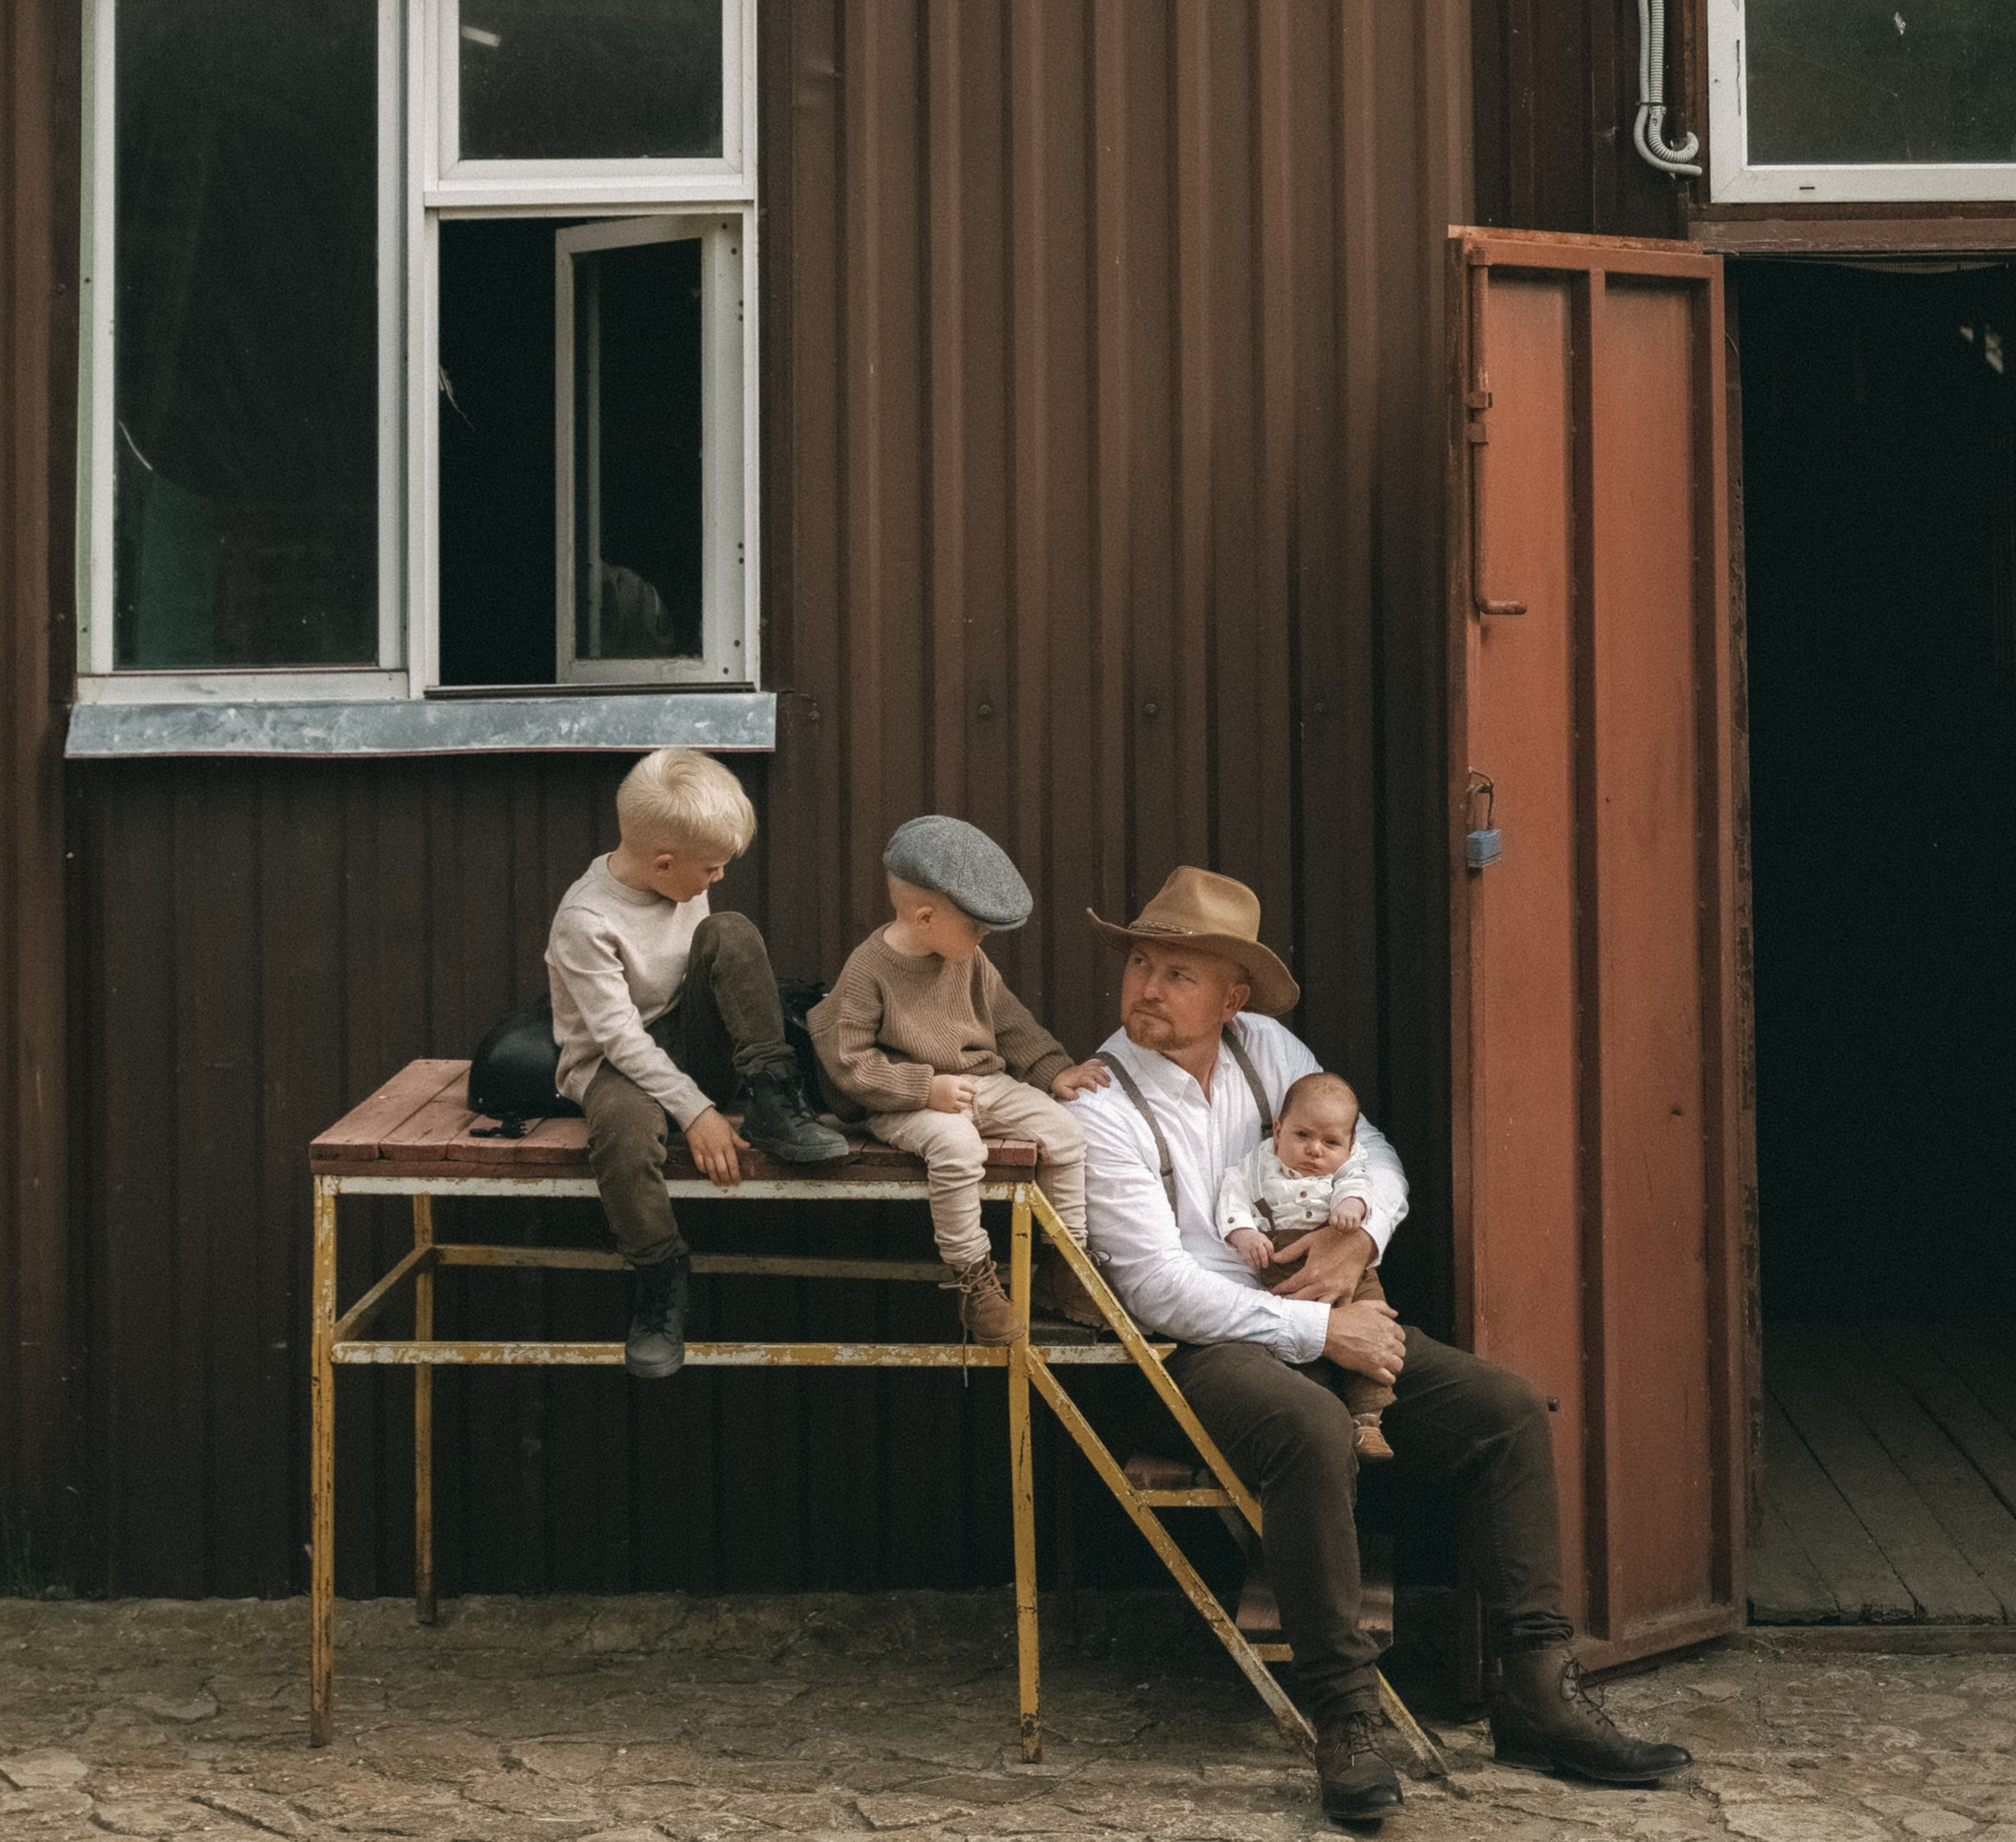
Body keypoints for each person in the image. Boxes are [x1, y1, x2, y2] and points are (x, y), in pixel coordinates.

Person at [1068, 868, 1692, 1828]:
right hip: (1186, 1348)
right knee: (1314, 1429)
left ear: (1232, 994)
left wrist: (1357, 1237)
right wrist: (1323, 1329)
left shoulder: (1265, 1047)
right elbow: (1155, 1287)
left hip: (1321, 1306)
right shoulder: (1101, 1100)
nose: (1147, 986)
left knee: (1504, 1413)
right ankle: (1346, 1716)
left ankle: (1535, 1690)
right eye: (1141, 964)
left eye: (1178, 972)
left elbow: (1369, 1152)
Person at [545, 746, 849, 1382]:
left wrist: (713, 1094)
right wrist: (697, 1112)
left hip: (687, 1043)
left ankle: (773, 1099)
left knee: (732, 930)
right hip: (612, 1065)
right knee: (625, 1134)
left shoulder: (679, 881)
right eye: (710, 868)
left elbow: (703, 979)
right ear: (663, 862)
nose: (717, 878)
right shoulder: (586, 920)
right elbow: (621, 1040)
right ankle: (659, 1275)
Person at [808, 815, 1113, 1342]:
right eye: (975, 925)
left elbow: (1010, 1021)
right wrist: (922, 1088)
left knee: (1065, 1133)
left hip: (982, 1084)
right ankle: (973, 1279)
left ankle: (1065, 1263)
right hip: (908, 1102)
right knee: (956, 1149)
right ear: (925, 917)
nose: (984, 936)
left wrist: (1054, 1070)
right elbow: (848, 1062)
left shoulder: (970, 960)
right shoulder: (868, 970)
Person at [1218, 1071, 1393, 1459]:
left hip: (1350, 1267)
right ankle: (1328, 1415)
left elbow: (1359, 1182)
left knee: (1370, 1327)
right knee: (1302, 1349)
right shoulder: (1257, 1164)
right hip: (1286, 1268)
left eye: (1331, 1142)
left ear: (1349, 1144)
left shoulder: (1350, 1165)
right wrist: (1244, 1233)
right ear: (1278, 1130)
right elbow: (1232, 1195)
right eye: (1302, 1136)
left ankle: (1369, 1419)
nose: (1315, 1150)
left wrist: (1353, 1206)